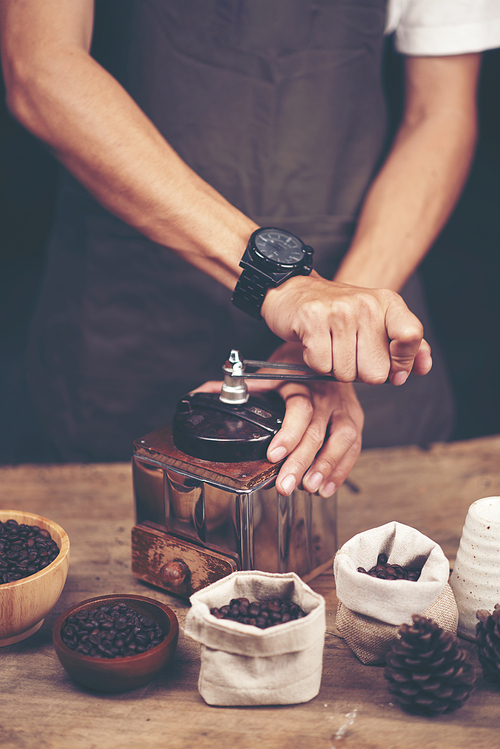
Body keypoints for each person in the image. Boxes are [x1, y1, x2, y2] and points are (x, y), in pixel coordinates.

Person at [1, 1, 497, 497]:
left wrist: (340, 331)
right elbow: (41, 64)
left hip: (365, 284)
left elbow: (438, 114)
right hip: (127, 327)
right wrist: (281, 284)